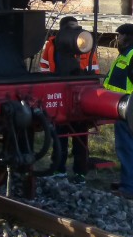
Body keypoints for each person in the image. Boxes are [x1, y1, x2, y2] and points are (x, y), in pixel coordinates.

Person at [40, 17, 98, 183]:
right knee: (59, 135)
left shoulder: (86, 43)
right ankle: (59, 168)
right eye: (72, 27)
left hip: (80, 95)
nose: (76, 30)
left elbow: (94, 69)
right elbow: (44, 68)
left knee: (81, 137)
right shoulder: (51, 45)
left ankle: (80, 172)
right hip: (59, 94)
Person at [103, 22, 133, 199]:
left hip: (128, 106)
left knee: (126, 147)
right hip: (120, 105)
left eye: (120, 35)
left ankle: (130, 187)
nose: (118, 39)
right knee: (125, 146)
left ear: (127, 37)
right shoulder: (128, 53)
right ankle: (128, 181)